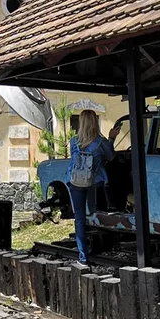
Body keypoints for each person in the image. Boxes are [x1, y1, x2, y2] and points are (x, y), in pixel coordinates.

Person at [67, 110, 120, 264]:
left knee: (79, 219)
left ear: (81, 123)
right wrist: (111, 138)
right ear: (95, 122)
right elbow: (110, 157)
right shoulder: (101, 143)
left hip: (75, 182)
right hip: (94, 184)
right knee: (96, 213)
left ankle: (83, 257)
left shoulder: (74, 142)